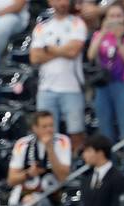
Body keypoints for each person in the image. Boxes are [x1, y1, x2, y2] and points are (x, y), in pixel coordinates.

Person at [30, 0, 88, 151]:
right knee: (46, 133)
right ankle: (50, 166)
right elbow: (34, 57)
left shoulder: (78, 23)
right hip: (46, 88)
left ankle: (75, 168)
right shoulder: (42, 27)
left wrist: (48, 49)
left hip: (71, 87)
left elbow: (74, 51)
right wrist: (63, 50)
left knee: (76, 132)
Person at [89, 2, 124, 143]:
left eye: (118, 16)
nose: (115, 19)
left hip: (123, 85)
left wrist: (119, 40)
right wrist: (102, 33)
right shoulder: (99, 35)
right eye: (111, 16)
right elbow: (91, 55)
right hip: (103, 86)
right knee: (105, 130)